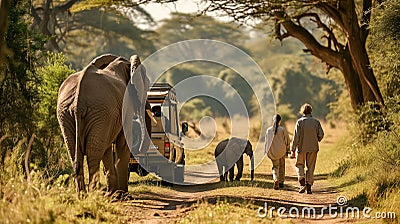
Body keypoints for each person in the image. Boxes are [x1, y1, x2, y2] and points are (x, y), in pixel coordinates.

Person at [290, 103, 324, 194]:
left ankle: (301, 178)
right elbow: (321, 135)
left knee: (299, 164)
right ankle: (308, 187)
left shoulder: (300, 122)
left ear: (302, 111)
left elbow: (296, 137)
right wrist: (316, 139)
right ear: (311, 111)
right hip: (313, 148)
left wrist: (292, 149)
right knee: (311, 167)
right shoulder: (316, 122)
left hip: (301, 148)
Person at [265, 114, 290, 190]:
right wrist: (288, 150)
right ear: (280, 121)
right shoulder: (282, 130)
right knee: (282, 166)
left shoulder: (268, 130)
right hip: (281, 151)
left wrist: (266, 151)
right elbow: (287, 141)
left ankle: (276, 179)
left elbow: (266, 142)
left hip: (272, 151)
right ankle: (281, 182)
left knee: (275, 167)